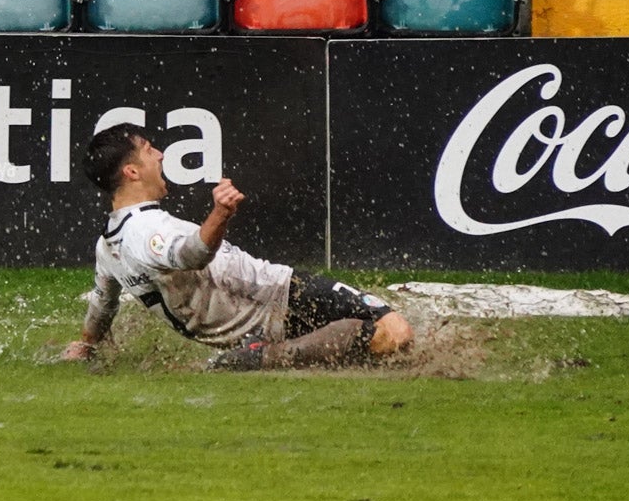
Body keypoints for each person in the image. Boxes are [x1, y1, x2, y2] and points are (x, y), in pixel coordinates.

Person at [60, 123, 413, 370]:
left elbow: (102, 305)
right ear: (132, 173)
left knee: (373, 347)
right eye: (150, 150)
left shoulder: (108, 245)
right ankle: (266, 358)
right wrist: (221, 212)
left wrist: (87, 345)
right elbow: (192, 254)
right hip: (278, 298)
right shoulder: (146, 229)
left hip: (253, 319)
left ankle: (269, 354)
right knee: (395, 333)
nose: (162, 155)